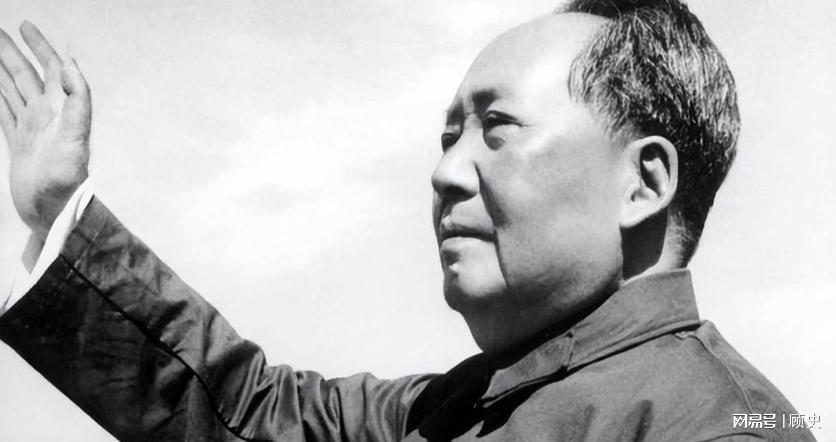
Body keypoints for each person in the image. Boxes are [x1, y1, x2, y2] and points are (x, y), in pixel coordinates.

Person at [0, 0, 815, 440]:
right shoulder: (451, 408)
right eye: (449, 136)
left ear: (644, 183)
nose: (445, 171)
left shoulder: (722, 429)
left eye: (497, 128)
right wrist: (61, 216)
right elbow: (248, 411)